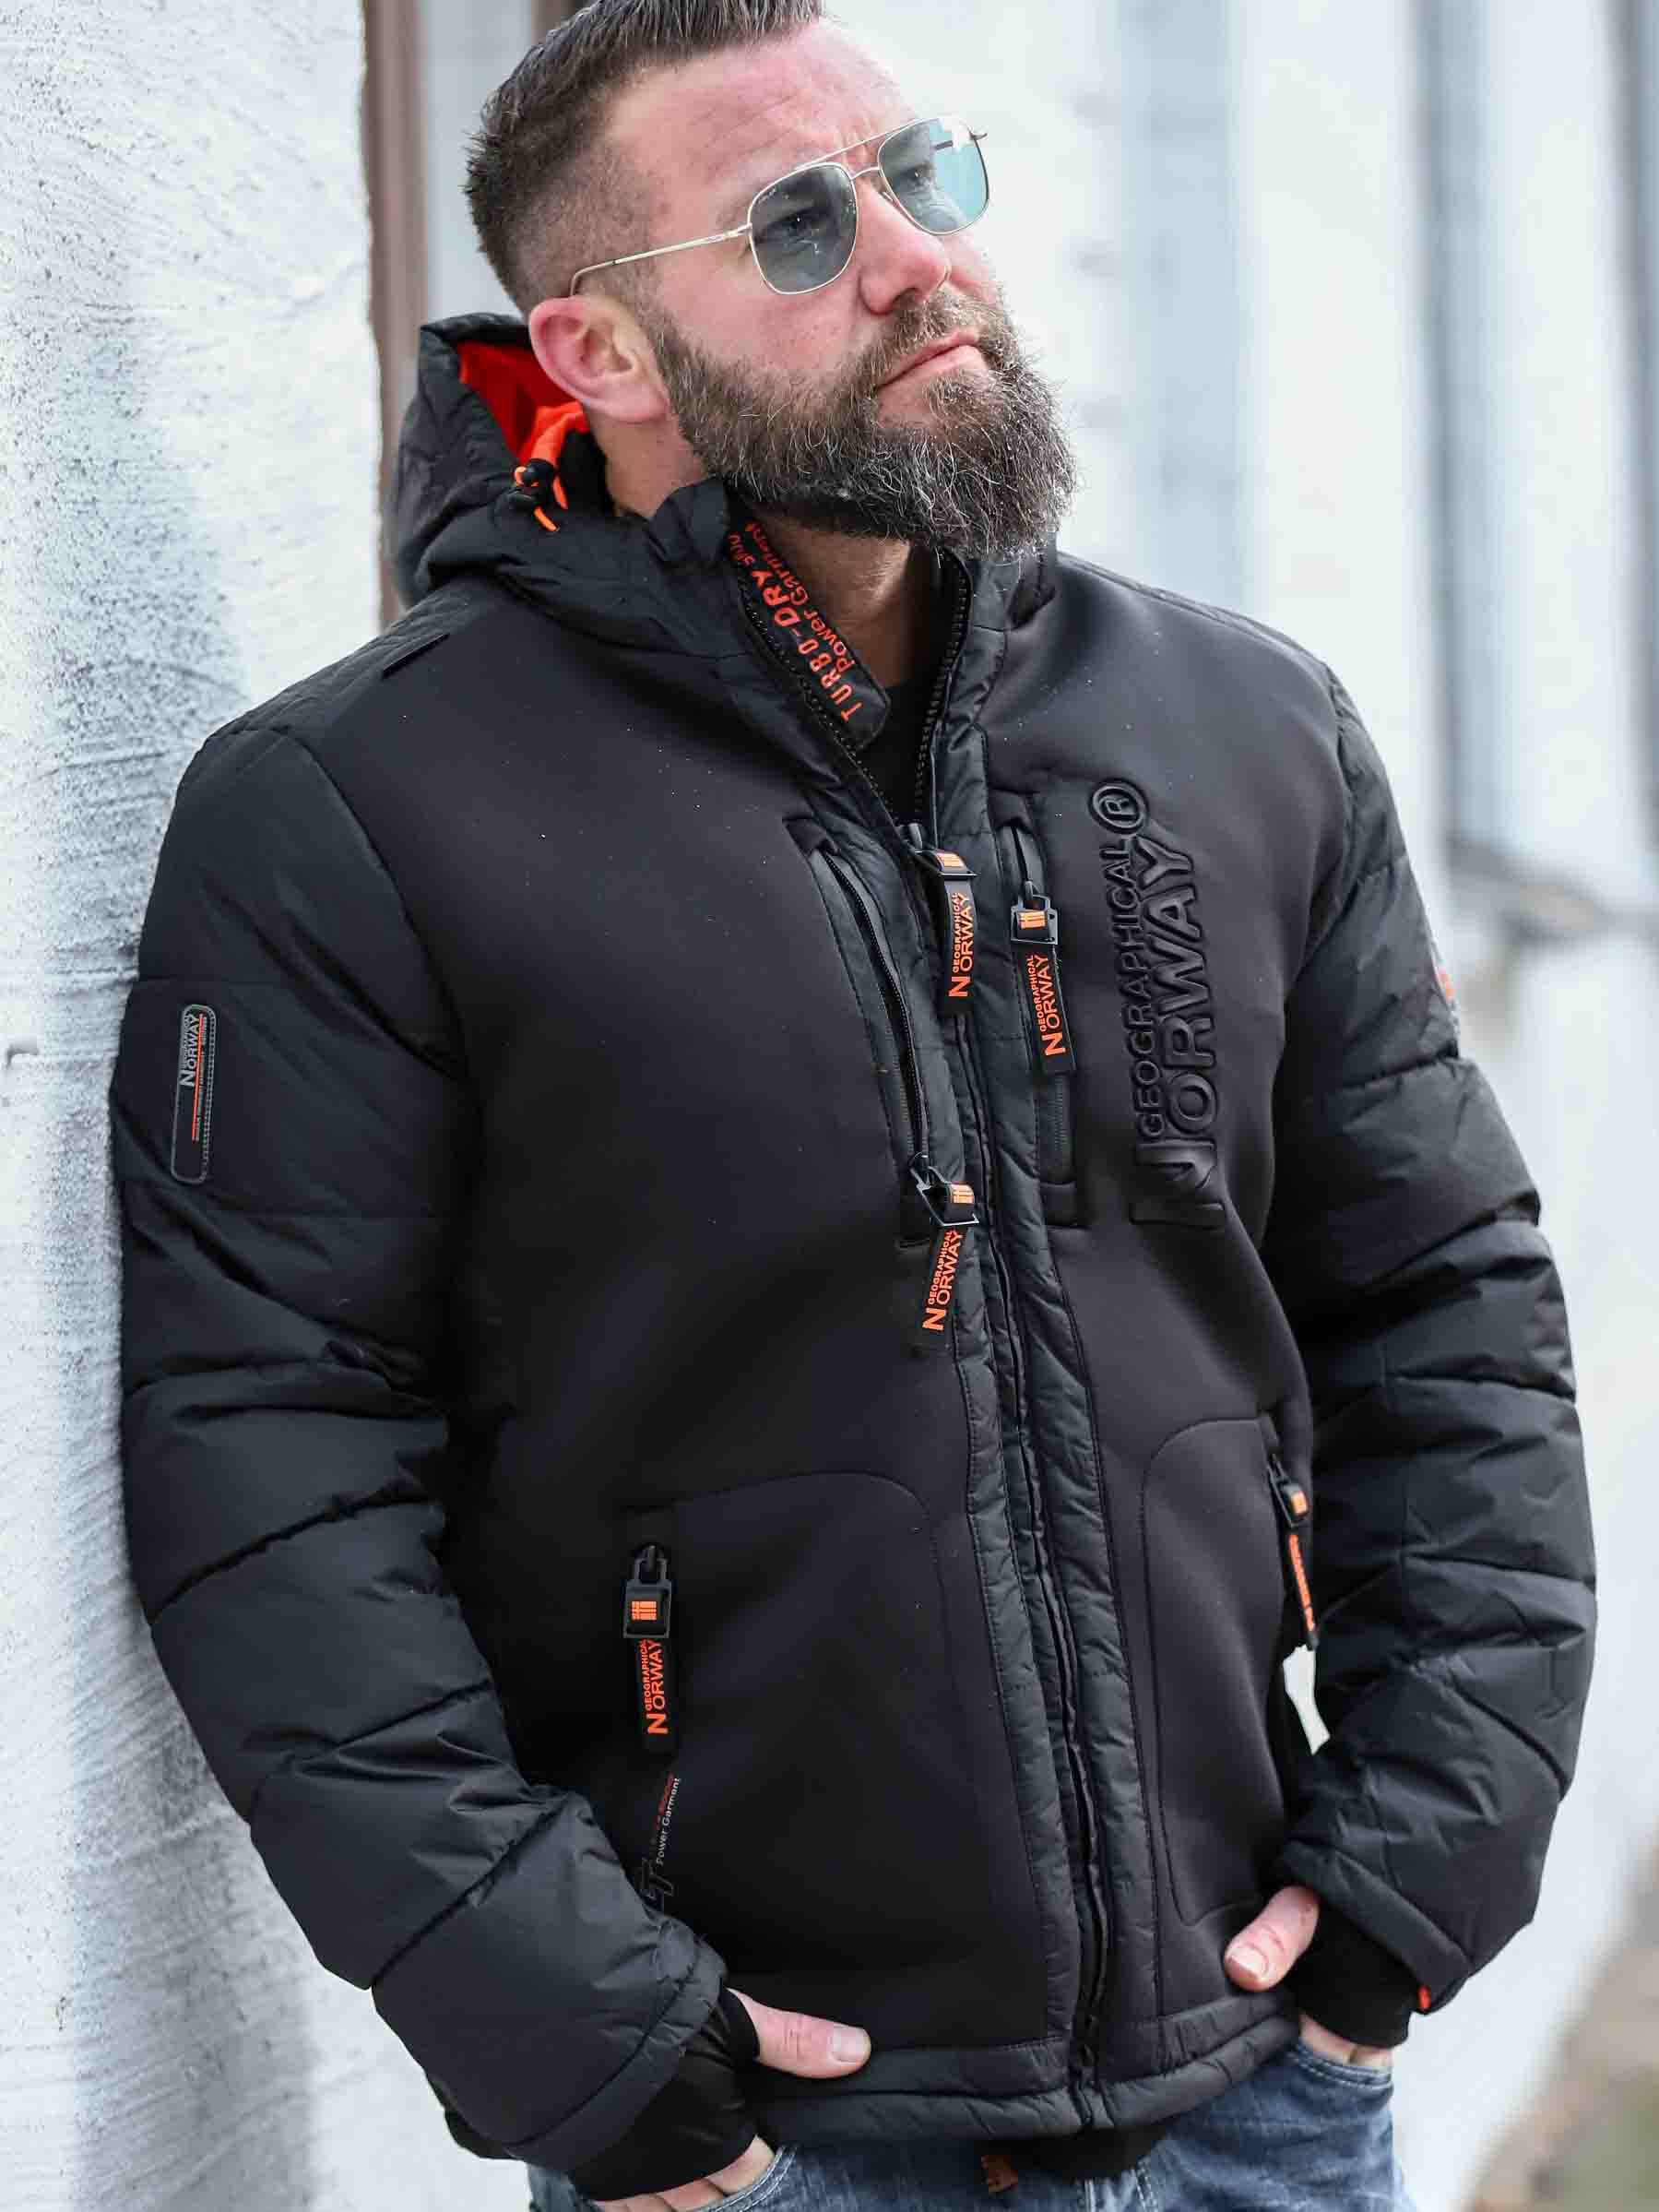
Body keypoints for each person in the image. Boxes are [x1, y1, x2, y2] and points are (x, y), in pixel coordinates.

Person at [108, 1, 1596, 2206]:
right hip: (775, 2135)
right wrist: (584, 2033)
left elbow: (1441, 1301)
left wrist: (1420, 1858)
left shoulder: (1247, 727)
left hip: (1264, 2086)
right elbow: (273, 1463)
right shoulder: (358, 808)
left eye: (922, 172)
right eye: (801, 223)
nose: (915, 256)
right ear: (599, 352)